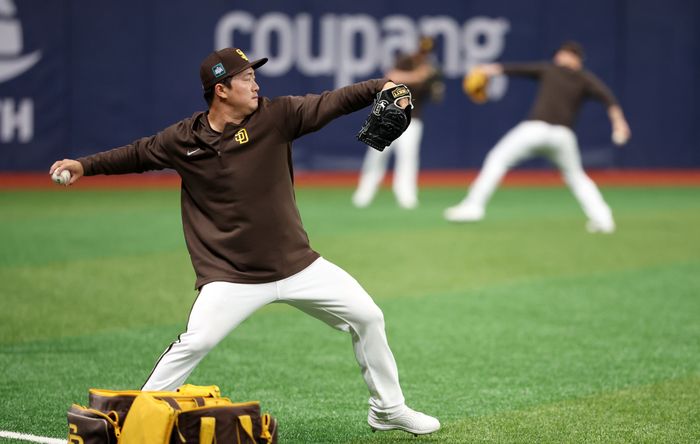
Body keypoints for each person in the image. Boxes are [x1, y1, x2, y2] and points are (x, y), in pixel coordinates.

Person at [49, 48, 440, 436]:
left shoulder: (277, 117)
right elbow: (137, 154)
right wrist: (84, 165)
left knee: (368, 316)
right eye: (247, 78)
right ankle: (135, 421)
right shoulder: (184, 139)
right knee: (196, 342)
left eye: (255, 77)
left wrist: (381, 86)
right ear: (221, 90)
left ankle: (388, 409)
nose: (256, 85)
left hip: (298, 266)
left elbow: (331, 101)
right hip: (231, 276)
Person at [444, 41, 631, 233]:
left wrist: (487, 69)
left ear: (574, 59)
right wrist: (619, 123)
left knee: (497, 159)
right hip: (561, 136)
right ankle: (603, 219)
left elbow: (517, 69)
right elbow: (609, 99)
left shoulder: (555, 71)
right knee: (576, 177)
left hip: (538, 130)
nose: (560, 57)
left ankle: (474, 206)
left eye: (564, 54)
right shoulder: (579, 77)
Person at [352, 36, 444, 209]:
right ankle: (364, 193)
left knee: (408, 158)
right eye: (422, 49)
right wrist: (418, 76)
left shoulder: (433, 69)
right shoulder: (406, 60)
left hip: (413, 118)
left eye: (427, 50)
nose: (423, 53)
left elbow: (436, 95)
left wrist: (434, 84)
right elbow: (391, 77)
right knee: (376, 155)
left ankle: (406, 195)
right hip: (388, 114)